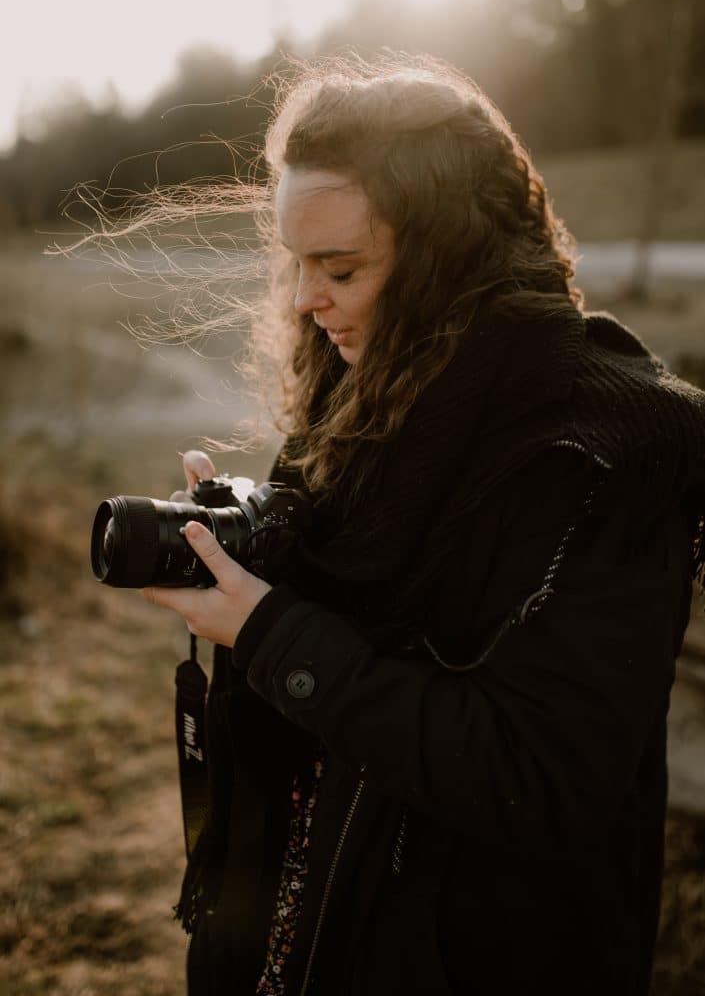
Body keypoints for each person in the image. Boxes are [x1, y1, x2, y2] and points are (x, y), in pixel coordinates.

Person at [138, 55, 705, 995]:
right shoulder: (366, 402)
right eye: (296, 266)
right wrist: (259, 545)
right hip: (309, 935)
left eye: (342, 267)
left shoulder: (608, 449)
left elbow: (537, 777)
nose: (305, 300)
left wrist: (272, 632)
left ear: (449, 257)